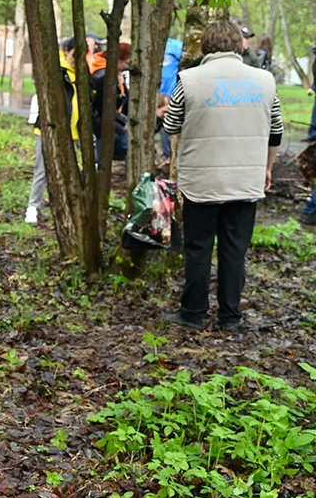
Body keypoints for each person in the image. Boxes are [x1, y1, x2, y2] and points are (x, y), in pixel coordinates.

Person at [159, 21, 283, 332]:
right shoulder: (265, 81)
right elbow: (276, 131)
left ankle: (193, 312)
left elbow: (171, 126)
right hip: (246, 180)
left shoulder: (188, 79)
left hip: (202, 182)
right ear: (239, 45)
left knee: (198, 248)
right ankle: (230, 316)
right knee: (235, 250)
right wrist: (266, 168)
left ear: (206, 46)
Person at [25, 38, 78, 224]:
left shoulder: (80, 73)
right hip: (49, 130)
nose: (77, 59)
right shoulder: (57, 70)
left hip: (73, 133)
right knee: (42, 170)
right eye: (74, 54)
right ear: (66, 51)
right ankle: (32, 207)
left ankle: (57, 207)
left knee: (65, 173)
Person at [88, 42, 130, 162]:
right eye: (126, 61)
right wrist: (123, 122)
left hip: (110, 119)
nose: (127, 65)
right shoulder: (104, 76)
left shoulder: (117, 75)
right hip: (100, 121)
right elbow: (103, 106)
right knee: (102, 158)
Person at [158, 37, 183, 158]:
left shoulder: (176, 46)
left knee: (169, 123)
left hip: (171, 93)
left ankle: (170, 154)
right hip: (155, 92)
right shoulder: (147, 42)